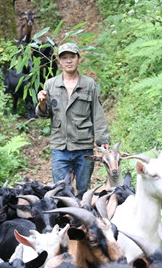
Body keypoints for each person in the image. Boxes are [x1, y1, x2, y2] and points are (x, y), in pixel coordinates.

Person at [36, 42, 110, 196]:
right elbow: (44, 114)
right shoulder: (51, 84)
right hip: (60, 147)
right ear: (59, 61)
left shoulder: (89, 84)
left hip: (83, 146)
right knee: (60, 190)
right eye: (64, 58)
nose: (68, 61)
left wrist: (103, 140)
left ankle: (82, 218)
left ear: (78, 59)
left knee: (83, 190)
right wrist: (42, 103)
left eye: (72, 57)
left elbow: (98, 113)